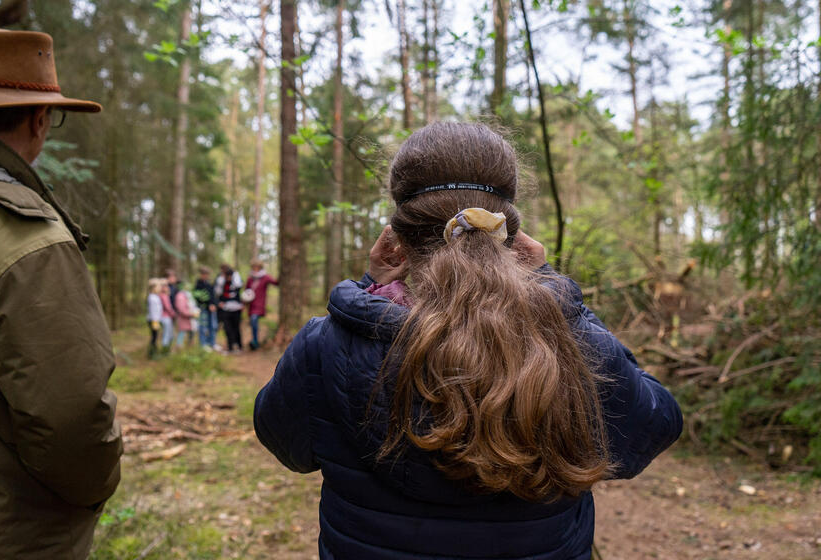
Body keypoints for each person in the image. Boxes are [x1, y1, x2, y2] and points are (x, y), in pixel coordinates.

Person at [253, 123, 682, 560]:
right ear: (511, 234)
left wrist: (370, 290)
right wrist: (556, 300)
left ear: (397, 239)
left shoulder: (325, 346)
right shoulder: (565, 341)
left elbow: (288, 447)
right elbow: (651, 430)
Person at [0, 27, 123, 558]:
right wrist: (92, 489)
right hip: (9, 529)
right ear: (40, 120)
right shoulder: (23, 235)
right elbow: (69, 415)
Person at [245, 257, 278, 350]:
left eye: (257, 267)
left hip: (260, 304)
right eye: (254, 267)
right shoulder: (250, 279)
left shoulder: (265, 277)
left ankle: (255, 341)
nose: (255, 268)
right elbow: (247, 291)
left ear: (260, 267)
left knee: (254, 319)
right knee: (252, 321)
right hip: (251, 305)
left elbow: (276, 283)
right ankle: (254, 341)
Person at [215, 263, 244, 353]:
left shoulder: (236, 281)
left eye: (229, 276)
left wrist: (235, 276)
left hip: (236, 309)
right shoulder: (221, 282)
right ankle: (230, 347)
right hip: (226, 309)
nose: (228, 278)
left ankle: (239, 346)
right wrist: (219, 303)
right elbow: (217, 293)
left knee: (236, 328)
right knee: (227, 329)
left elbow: (239, 285)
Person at [194, 265, 218, 348]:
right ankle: (203, 344)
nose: (205, 275)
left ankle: (212, 343)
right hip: (203, 309)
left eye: (207, 274)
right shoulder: (198, 285)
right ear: (201, 274)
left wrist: (214, 304)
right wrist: (209, 305)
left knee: (213, 326)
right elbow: (199, 298)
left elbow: (213, 296)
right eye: (204, 274)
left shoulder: (209, 284)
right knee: (203, 327)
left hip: (211, 309)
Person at [173, 279, 196, 348]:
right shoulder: (180, 296)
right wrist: (191, 314)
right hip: (183, 318)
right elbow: (181, 309)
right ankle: (179, 347)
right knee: (182, 332)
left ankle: (189, 346)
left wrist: (195, 311)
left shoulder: (188, 294)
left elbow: (192, 304)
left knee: (191, 331)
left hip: (190, 318)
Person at [146, 278, 163, 359]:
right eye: (158, 286)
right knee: (154, 337)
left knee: (155, 337)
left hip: (156, 320)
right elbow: (153, 311)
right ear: (153, 287)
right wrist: (155, 322)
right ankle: (152, 353)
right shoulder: (152, 297)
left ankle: (154, 352)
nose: (160, 288)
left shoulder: (155, 296)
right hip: (153, 320)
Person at [158, 279, 176, 351]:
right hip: (165, 317)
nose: (167, 287)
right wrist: (173, 314)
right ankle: (165, 350)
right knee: (167, 334)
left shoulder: (162, 295)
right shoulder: (164, 296)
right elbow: (168, 307)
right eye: (165, 286)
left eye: (167, 285)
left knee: (169, 334)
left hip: (165, 317)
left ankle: (167, 348)